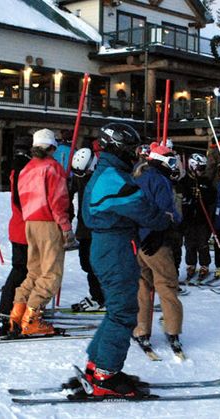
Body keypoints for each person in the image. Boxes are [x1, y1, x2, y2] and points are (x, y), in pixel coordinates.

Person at [81, 123, 173, 397]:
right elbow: (142, 209)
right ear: (119, 148)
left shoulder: (109, 172)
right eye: (133, 150)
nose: (136, 155)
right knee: (123, 311)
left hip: (111, 243)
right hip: (113, 247)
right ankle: (105, 375)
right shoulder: (113, 178)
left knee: (117, 310)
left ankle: (97, 365)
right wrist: (163, 220)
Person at [8, 129, 74, 336]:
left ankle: (17, 314)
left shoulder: (27, 167)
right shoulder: (52, 168)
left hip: (30, 223)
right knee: (51, 273)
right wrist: (66, 228)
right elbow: (58, 201)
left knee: (34, 271)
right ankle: (32, 318)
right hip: (48, 222)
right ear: (52, 147)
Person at [132, 142, 184, 353]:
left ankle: (141, 329)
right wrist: (171, 223)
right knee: (166, 284)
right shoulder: (160, 181)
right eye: (170, 161)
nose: (173, 166)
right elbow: (166, 212)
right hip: (156, 241)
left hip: (137, 241)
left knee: (143, 285)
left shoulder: (138, 177)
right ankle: (172, 329)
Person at [0, 136, 32, 336]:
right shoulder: (23, 168)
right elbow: (21, 200)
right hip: (24, 228)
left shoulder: (17, 167)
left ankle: (11, 307)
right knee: (22, 271)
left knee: (22, 270)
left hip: (19, 226)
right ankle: (8, 308)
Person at [69, 147, 106, 313]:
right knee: (86, 264)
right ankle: (98, 295)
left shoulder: (100, 179)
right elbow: (69, 192)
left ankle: (100, 297)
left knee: (95, 265)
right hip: (83, 228)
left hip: (97, 228)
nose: (79, 177)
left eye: (82, 173)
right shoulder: (80, 178)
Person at [180, 153, 214, 282]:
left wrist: (203, 196)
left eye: (203, 168)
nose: (202, 171)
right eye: (200, 168)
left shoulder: (205, 182)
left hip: (202, 218)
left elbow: (212, 197)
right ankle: (191, 264)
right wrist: (187, 200)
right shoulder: (185, 181)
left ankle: (204, 264)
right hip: (189, 218)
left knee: (202, 243)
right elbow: (180, 196)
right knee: (190, 244)